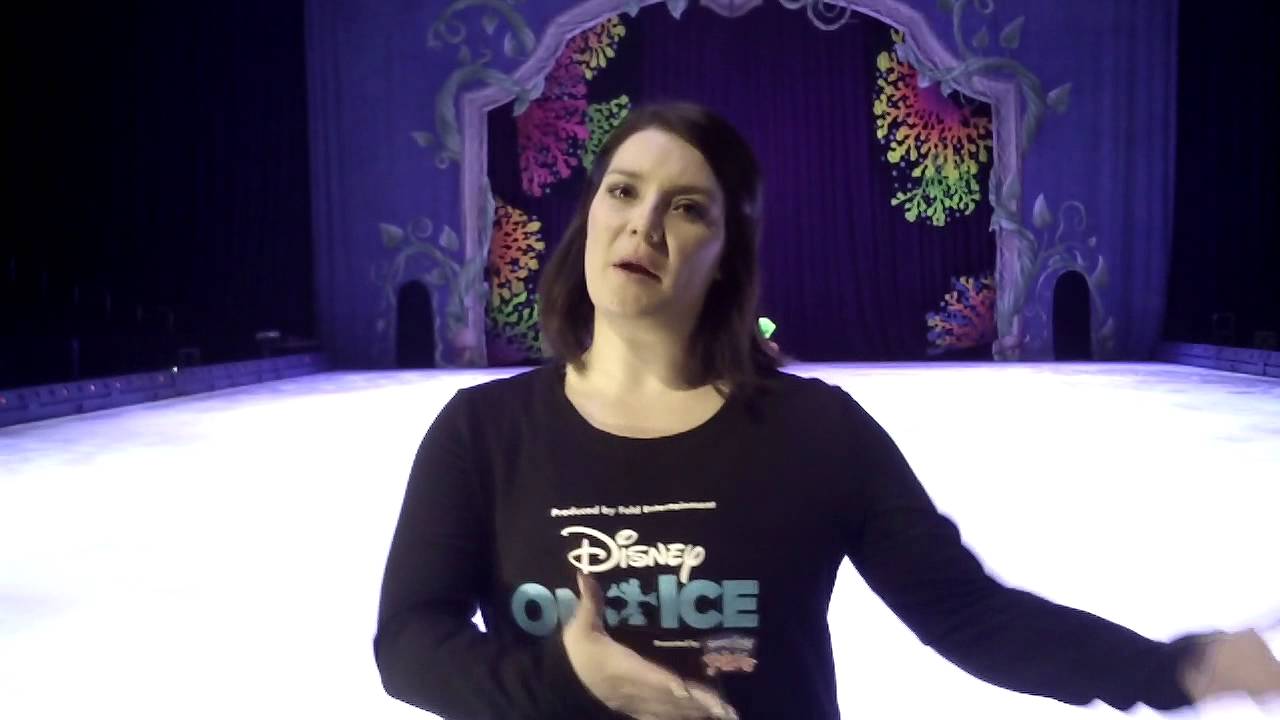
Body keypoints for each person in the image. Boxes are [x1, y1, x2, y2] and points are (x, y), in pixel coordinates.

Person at [373, 102, 1279, 719]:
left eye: (687, 209)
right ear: (592, 216)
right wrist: (569, 680)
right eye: (623, 190)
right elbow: (411, 645)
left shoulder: (815, 434)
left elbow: (970, 617)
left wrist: (1179, 668)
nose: (643, 226)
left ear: (725, 257)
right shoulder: (481, 434)